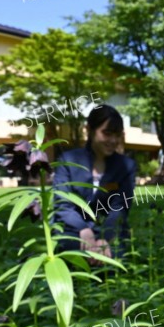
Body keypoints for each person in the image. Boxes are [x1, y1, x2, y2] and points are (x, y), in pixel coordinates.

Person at [52, 104, 136, 263]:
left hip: (110, 231)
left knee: (115, 258)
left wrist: (106, 237)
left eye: (117, 135)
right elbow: (63, 205)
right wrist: (83, 230)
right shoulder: (68, 161)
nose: (113, 140)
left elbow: (120, 206)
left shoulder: (126, 166)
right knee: (73, 256)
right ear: (89, 130)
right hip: (74, 230)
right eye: (107, 133)